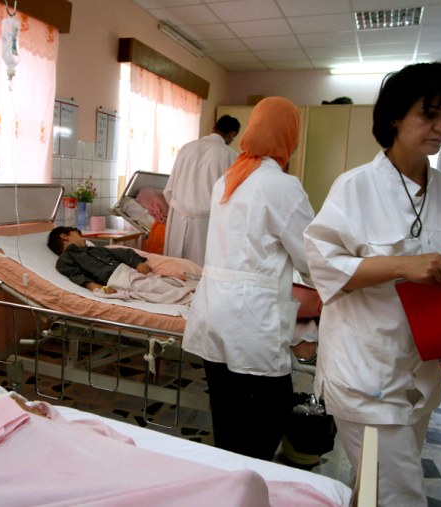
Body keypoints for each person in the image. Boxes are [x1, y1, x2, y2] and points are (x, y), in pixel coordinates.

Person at [303, 62, 441, 506]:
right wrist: (402, 265)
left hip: (418, 372)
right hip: (365, 371)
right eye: (429, 114)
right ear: (396, 116)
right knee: (399, 495)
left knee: (378, 489)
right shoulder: (354, 187)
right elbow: (322, 265)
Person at [182, 97, 315, 461]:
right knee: (270, 413)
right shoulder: (282, 186)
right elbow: (311, 257)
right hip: (250, 322)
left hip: (214, 313)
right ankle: (250, 484)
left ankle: (230, 481)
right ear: (289, 135)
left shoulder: (228, 178)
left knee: (226, 413)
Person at [163, 114, 241, 266]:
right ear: (232, 134)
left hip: (178, 217)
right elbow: (232, 196)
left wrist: (178, 208)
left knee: (173, 268)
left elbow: (169, 188)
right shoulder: (231, 155)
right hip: (206, 222)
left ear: (214, 128)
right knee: (198, 269)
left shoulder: (187, 147)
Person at [47, 226, 196, 304]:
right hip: (119, 280)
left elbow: (122, 253)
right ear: (64, 236)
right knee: (156, 288)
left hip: (130, 272)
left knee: (161, 282)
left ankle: (192, 290)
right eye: (78, 235)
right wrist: (96, 287)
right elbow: (76, 275)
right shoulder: (65, 260)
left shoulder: (95, 249)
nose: (83, 239)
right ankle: (191, 299)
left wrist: (137, 263)